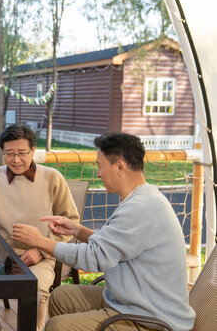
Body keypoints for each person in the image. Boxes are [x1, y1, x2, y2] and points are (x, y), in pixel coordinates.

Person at [12, 133, 196, 331]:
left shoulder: (141, 207)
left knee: (57, 326)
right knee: (60, 296)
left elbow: (94, 258)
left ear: (120, 167)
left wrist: (39, 241)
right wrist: (78, 230)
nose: (98, 173)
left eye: (100, 166)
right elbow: (113, 245)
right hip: (129, 301)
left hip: (149, 318)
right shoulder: (142, 198)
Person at [0, 124, 79, 330]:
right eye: (9, 154)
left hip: (40, 255)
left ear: (33, 150)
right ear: (2, 152)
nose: (16, 159)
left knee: (36, 290)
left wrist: (41, 250)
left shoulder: (52, 178)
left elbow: (71, 222)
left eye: (22, 153)